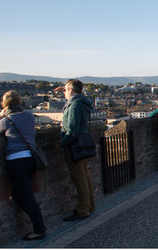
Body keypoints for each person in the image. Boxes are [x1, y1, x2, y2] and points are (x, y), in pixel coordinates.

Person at [0, 91, 47, 240]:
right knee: (17, 194)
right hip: (31, 160)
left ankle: (39, 229)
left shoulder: (6, 120)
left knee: (26, 196)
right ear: (19, 101)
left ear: (4, 104)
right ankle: (39, 224)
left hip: (16, 161)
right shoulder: (28, 115)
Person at [58, 79, 95, 222]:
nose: (64, 93)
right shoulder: (82, 103)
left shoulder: (74, 106)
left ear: (72, 91)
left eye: (65, 90)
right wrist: (65, 88)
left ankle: (83, 209)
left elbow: (71, 130)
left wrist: (63, 143)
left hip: (74, 145)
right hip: (82, 144)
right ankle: (89, 206)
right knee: (85, 176)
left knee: (79, 178)